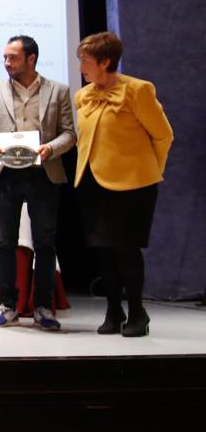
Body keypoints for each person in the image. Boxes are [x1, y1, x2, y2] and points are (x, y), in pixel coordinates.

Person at [73, 32, 172, 337]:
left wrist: (147, 171)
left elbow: (163, 135)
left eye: (86, 62)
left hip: (133, 186)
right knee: (104, 250)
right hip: (93, 183)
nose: (82, 68)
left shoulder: (137, 90)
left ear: (105, 62)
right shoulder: (84, 95)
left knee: (126, 249)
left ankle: (138, 313)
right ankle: (113, 310)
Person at [0, 35, 76, 331]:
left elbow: (69, 133)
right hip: (5, 175)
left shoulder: (58, 90)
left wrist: (50, 149)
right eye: (5, 58)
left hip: (43, 174)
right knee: (5, 242)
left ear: (31, 59)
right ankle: (7, 305)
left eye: (13, 58)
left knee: (45, 243)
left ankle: (43, 307)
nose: (7, 63)